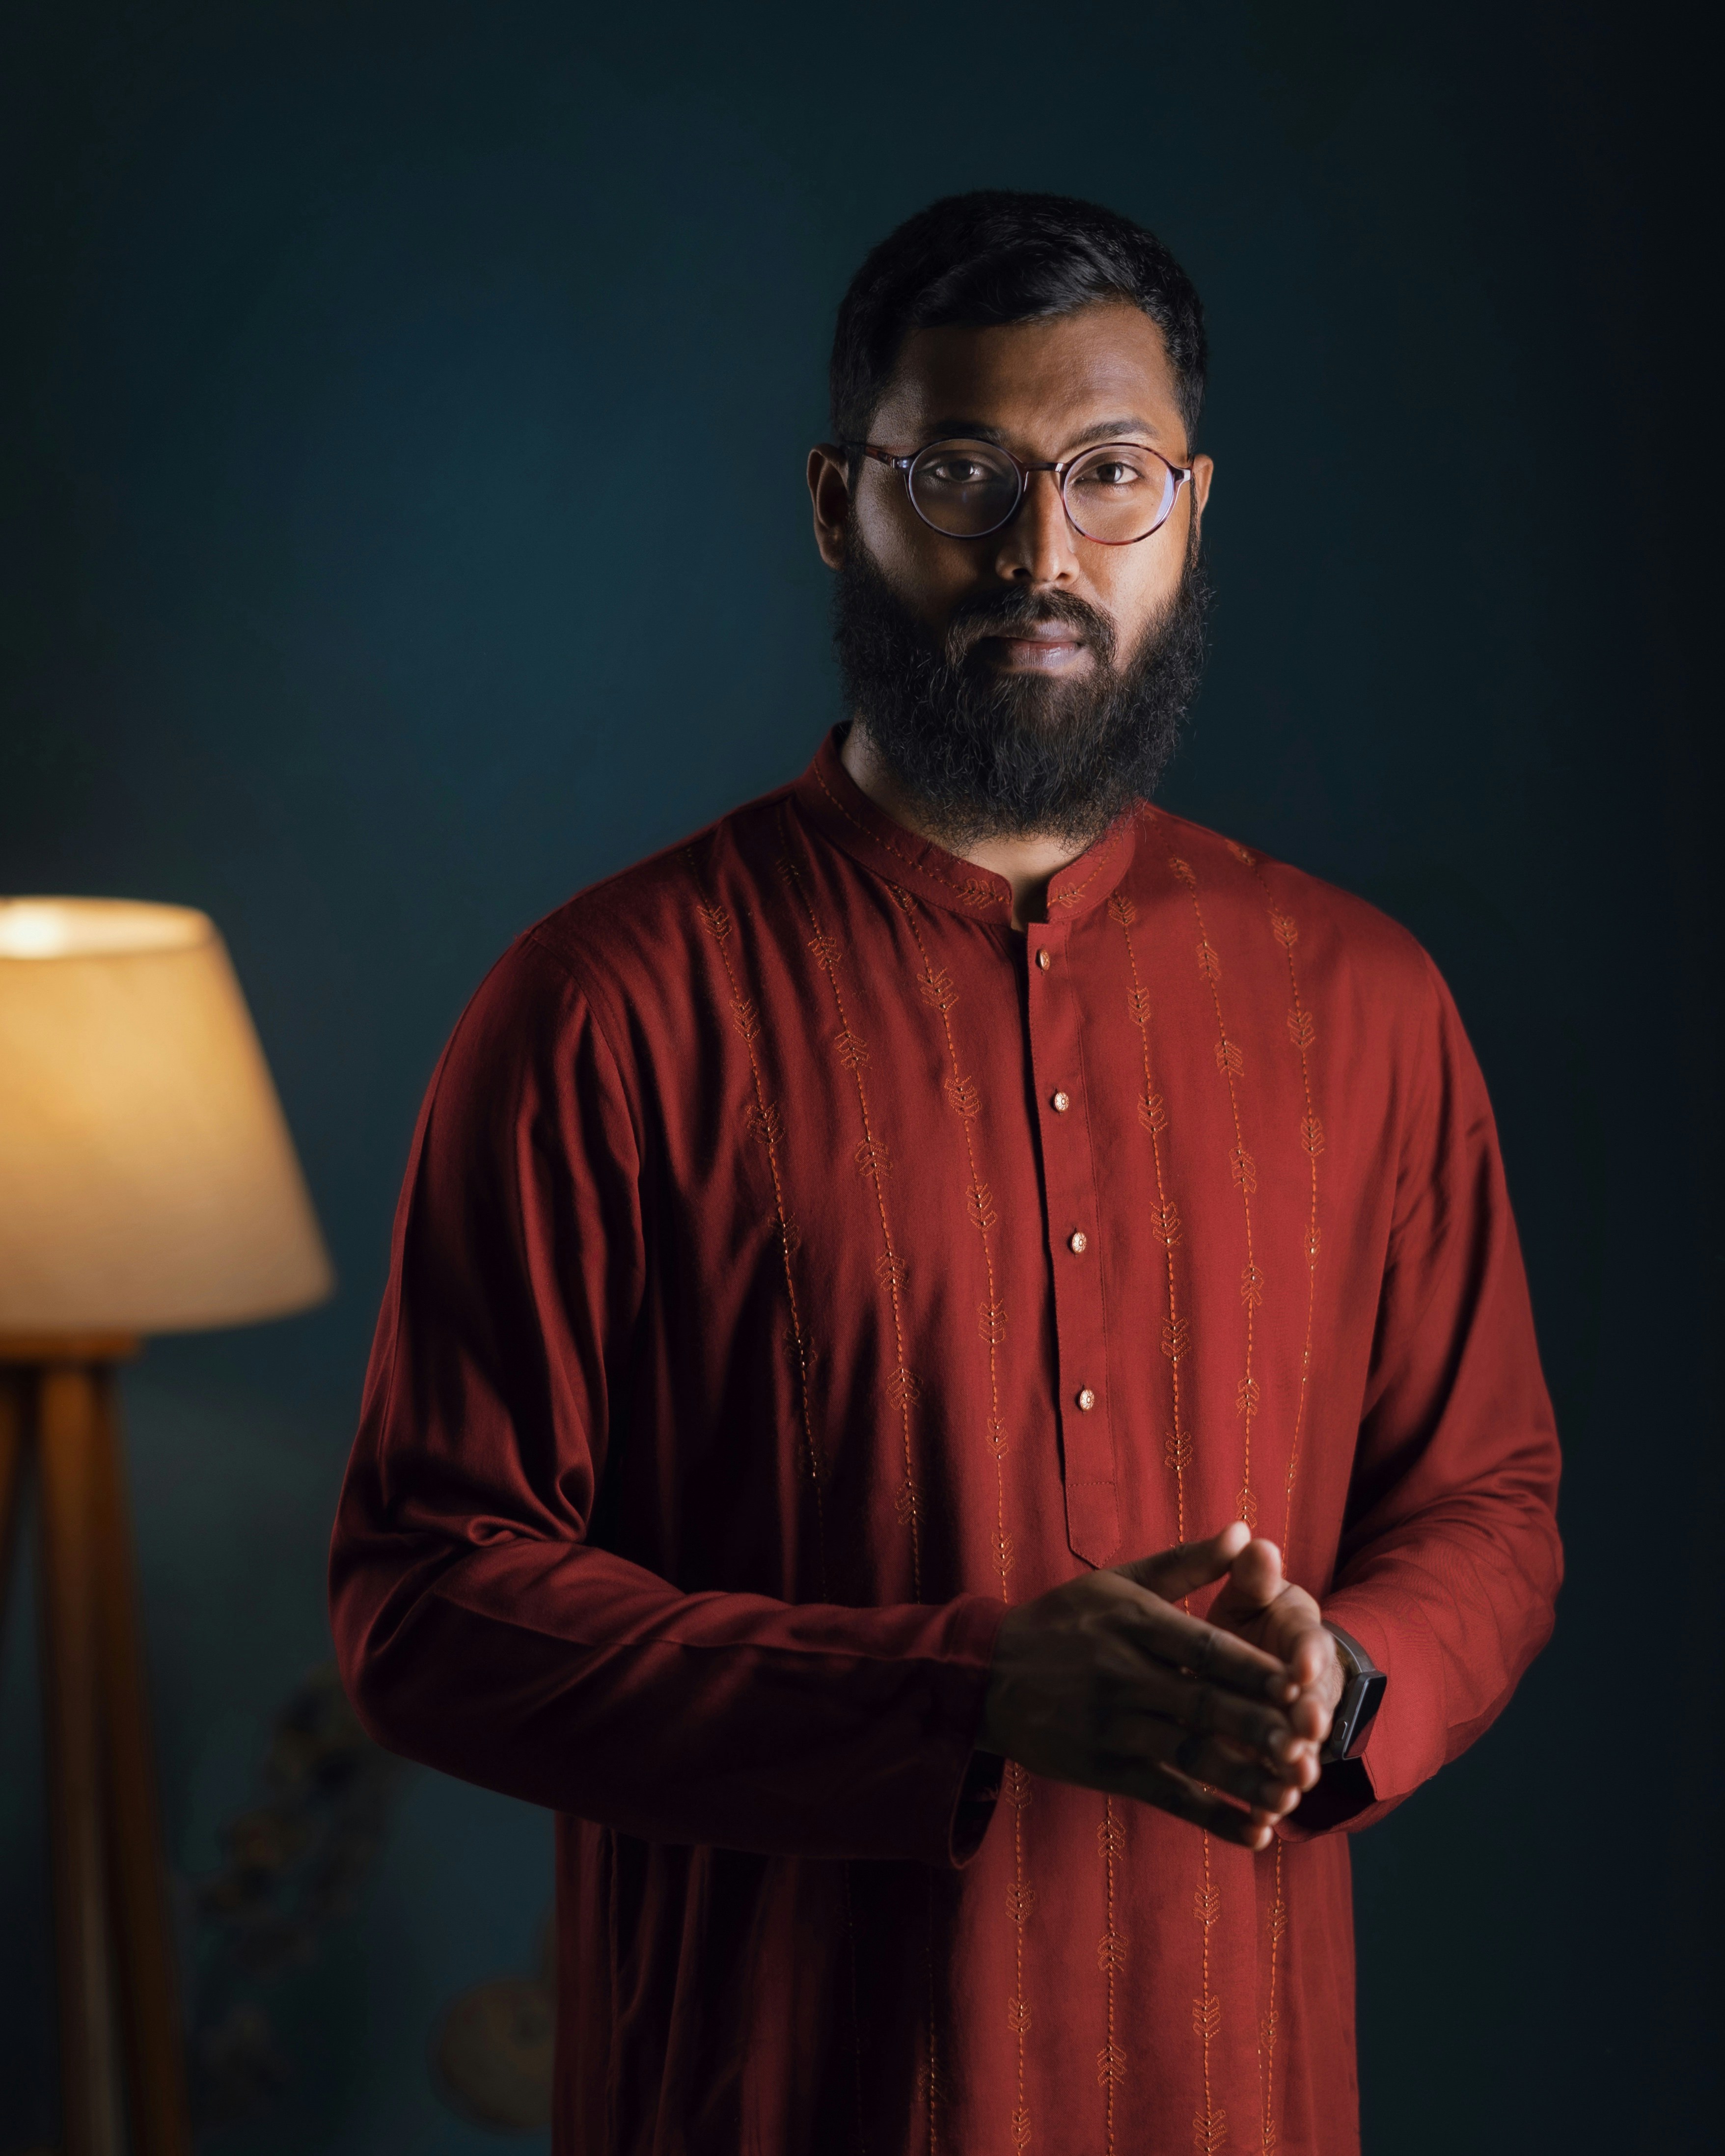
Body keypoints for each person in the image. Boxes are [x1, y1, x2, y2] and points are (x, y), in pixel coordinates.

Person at [329, 190, 1561, 2156]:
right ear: (842, 503)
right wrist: (961, 1691)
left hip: (1236, 2095)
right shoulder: (604, 1006)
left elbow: (1488, 1497)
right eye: (964, 470)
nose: (1042, 550)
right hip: (763, 2096)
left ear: (1192, 504)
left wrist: (1353, 1673)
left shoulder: (1364, 1000)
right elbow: (426, 1607)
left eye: (1109, 476)